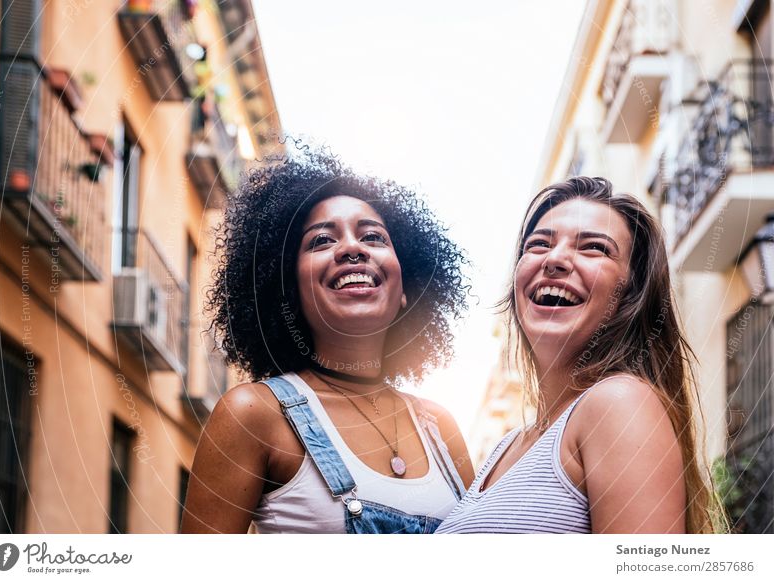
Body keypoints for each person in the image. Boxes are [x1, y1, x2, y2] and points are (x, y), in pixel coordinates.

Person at [181, 148, 474, 534]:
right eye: (320, 241)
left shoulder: (441, 427)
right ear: (288, 288)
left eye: (372, 236)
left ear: (406, 288)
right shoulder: (254, 414)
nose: (352, 248)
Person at [436, 176, 724, 534]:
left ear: (630, 293)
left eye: (594, 248)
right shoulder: (505, 446)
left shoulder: (618, 402)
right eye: (538, 244)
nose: (554, 259)